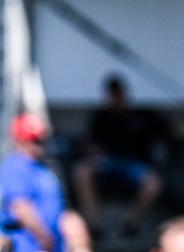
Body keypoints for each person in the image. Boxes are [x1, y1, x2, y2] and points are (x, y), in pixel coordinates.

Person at [0, 113, 95, 252]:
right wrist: (44, 237)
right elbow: (21, 208)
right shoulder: (15, 166)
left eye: (40, 139)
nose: (38, 144)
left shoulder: (44, 169)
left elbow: (58, 209)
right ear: (20, 138)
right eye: (33, 139)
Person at [70, 75, 164, 235]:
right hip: (106, 162)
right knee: (81, 172)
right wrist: (95, 151)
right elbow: (90, 146)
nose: (116, 98)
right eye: (112, 94)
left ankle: (130, 223)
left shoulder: (139, 116)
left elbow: (163, 136)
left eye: (118, 94)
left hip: (133, 164)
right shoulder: (101, 117)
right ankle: (95, 224)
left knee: (154, 183)